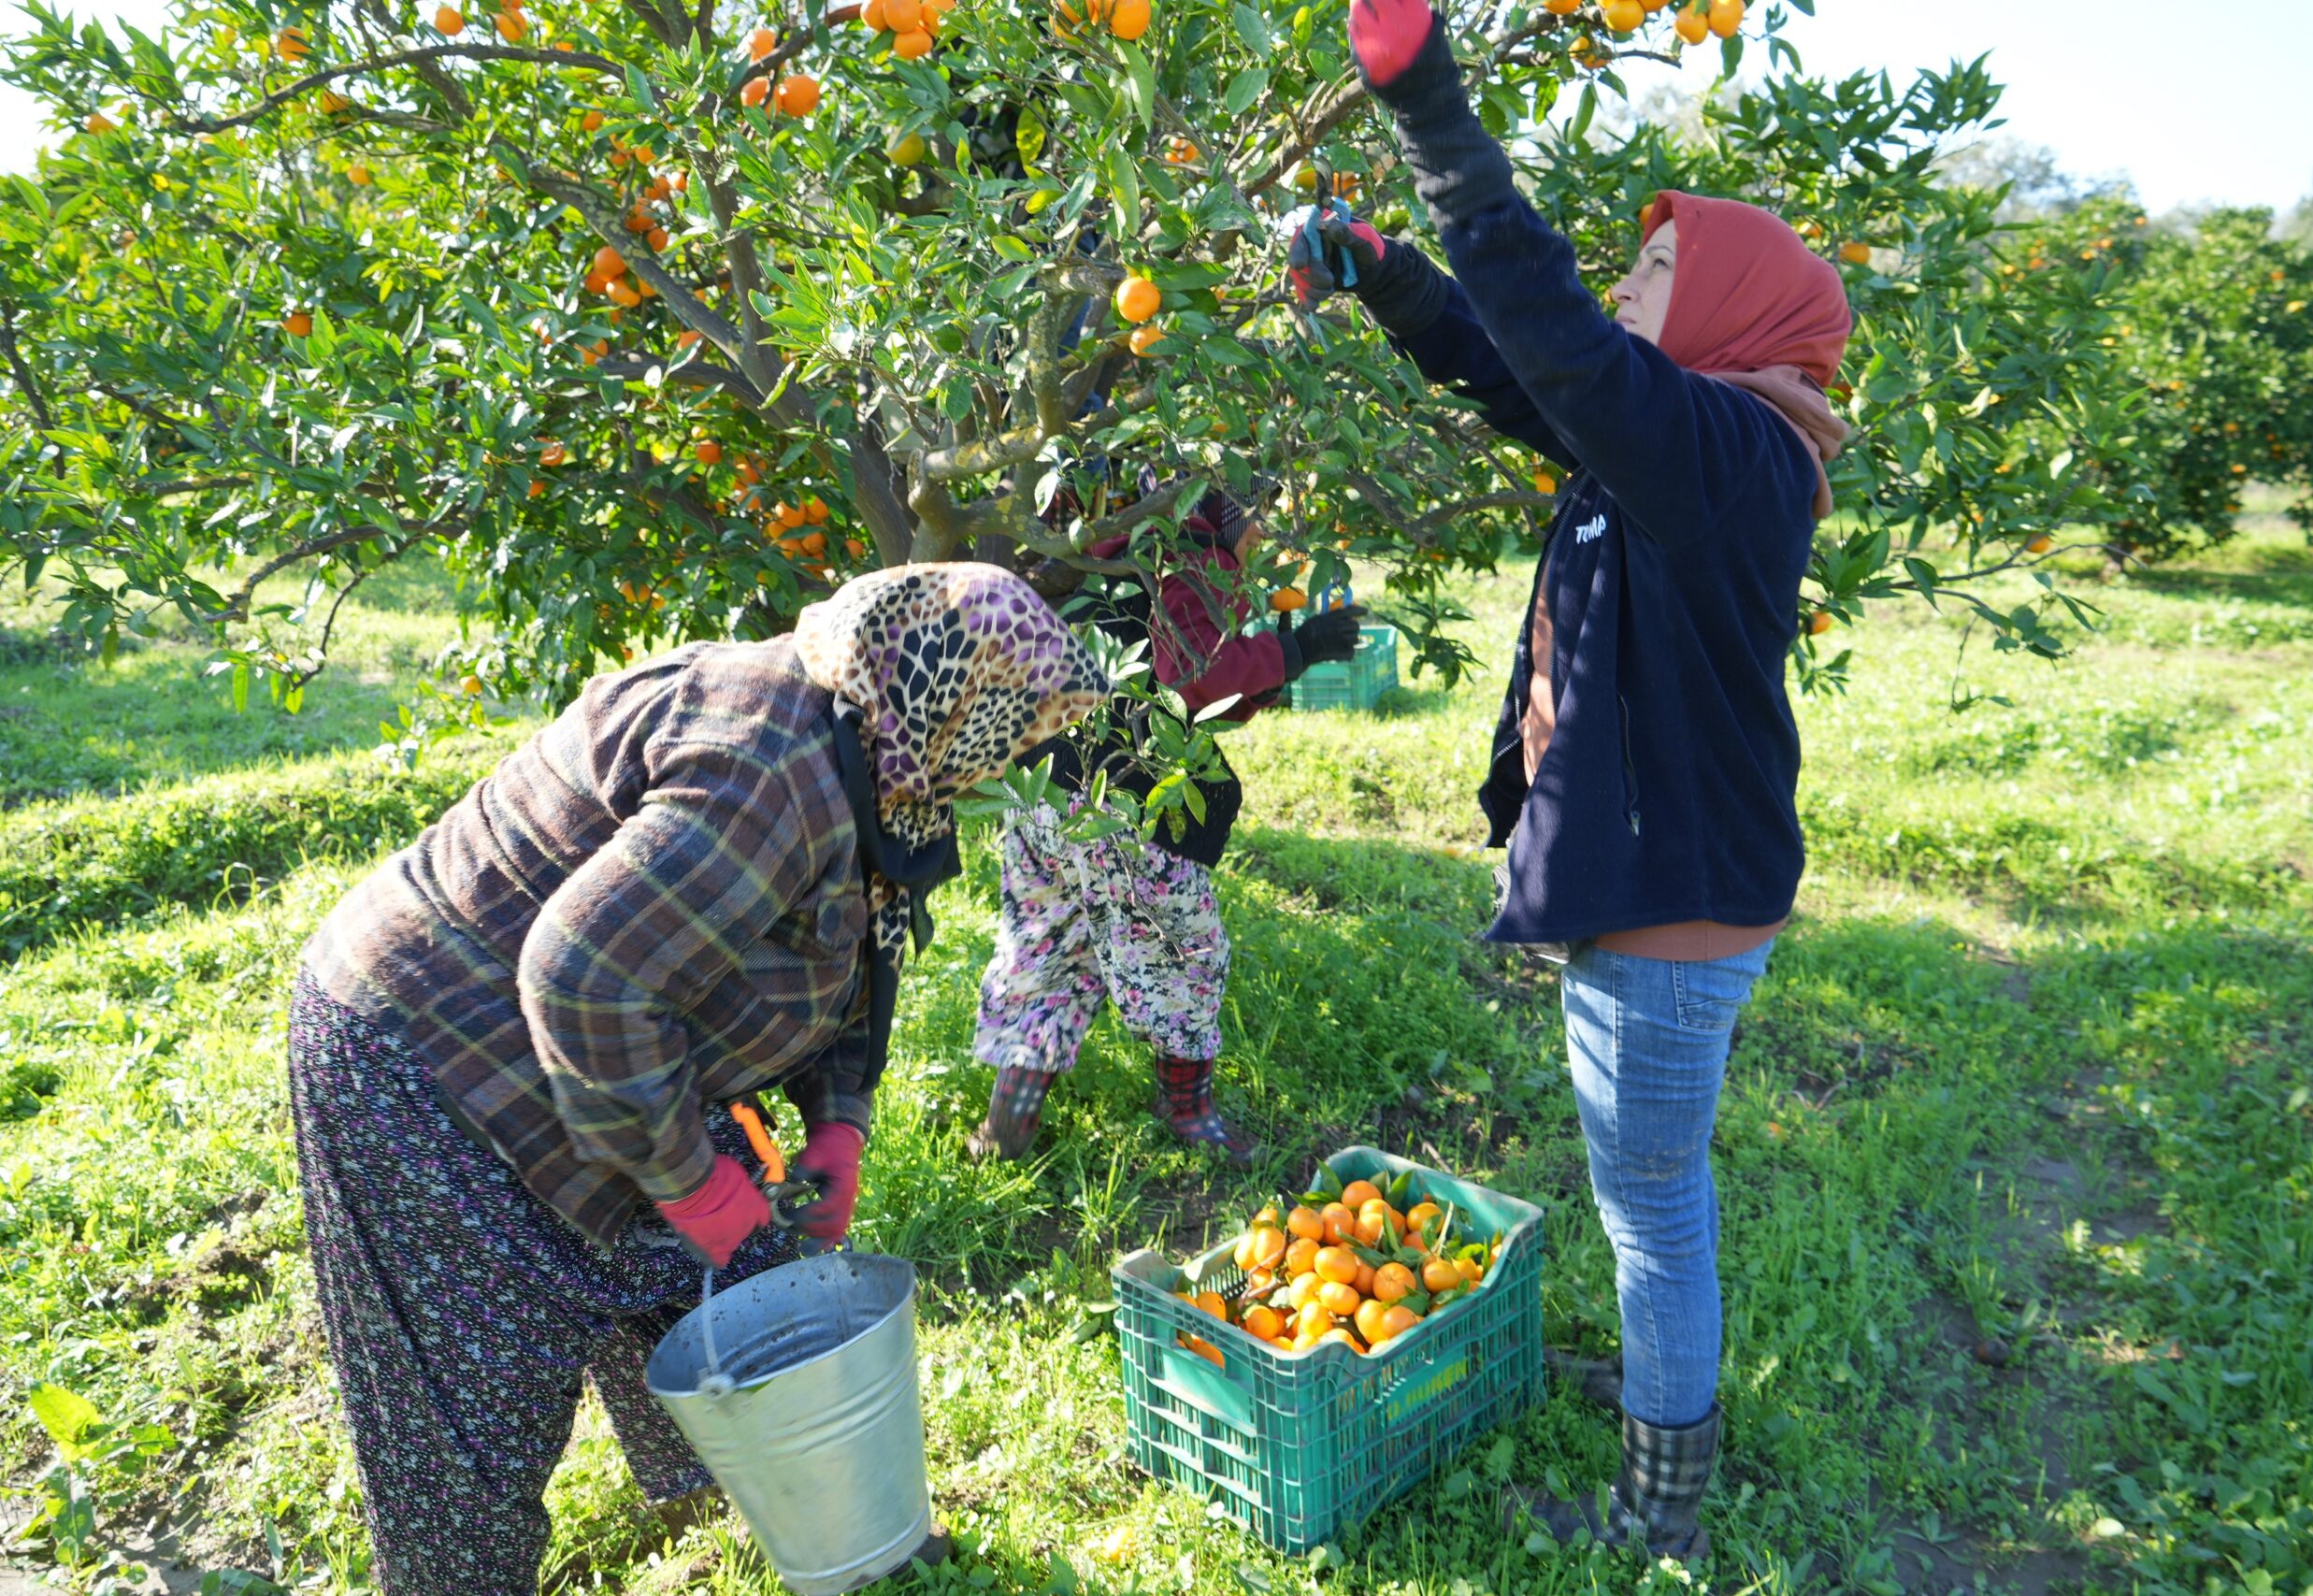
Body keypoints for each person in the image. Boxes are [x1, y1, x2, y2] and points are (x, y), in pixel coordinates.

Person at [1288, 0, 1855, 1560]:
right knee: (1647, 1203)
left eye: (1656, 275)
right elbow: (1515, 365)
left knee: (1656, 1218)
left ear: (1732, 310)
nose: (1622, 292)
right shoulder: (1683, 444)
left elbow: (1548, 325)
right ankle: (1666, 1414)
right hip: (1659, 881)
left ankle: (1663, 1504)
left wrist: (1431, 109)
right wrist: (1392, 279)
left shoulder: (1731, 456)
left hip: (1671, 914)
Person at [285, 565, 1106, 1595]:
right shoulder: (773, 768)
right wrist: (693, 1187)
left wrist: (836, 1122)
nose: (1008, 770)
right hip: (432, 1047)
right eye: (1012, 738)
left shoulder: (885, 750)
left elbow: (856, 956)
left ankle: (850, 1542)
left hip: (617, 1043)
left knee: (757, 1287)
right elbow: (581, 985)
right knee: (471, 1402)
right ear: (956, 706)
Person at [967, 487, 1364, 1166]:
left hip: (1040, 785)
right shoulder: (1192, 561)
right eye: (1264, 521)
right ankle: (1189, 1111)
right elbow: (1195, 675)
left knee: (1049, 945)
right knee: (1182, 946)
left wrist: (1280, 657)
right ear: (1234, 514)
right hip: (1118, 800)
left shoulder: (1117, 550)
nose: (1267, 542)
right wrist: (1295, 650)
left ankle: (1006, 1128)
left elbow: (1184, 680)